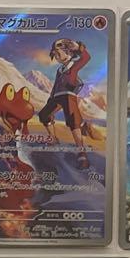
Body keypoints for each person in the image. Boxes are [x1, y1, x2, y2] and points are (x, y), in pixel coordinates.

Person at [38, 38, 94, 170]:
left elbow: (86, 57)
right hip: (57, 96)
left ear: (68, 52)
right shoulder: (60, 70)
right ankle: (53, 138)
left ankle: (82, 153)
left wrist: (78, 47)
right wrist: (51, 97)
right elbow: (56, 85)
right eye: (55, 54)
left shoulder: (74, 65)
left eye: (58, 53)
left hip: (69, 95)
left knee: (73, 120)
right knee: (44, 115)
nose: (57, 57)